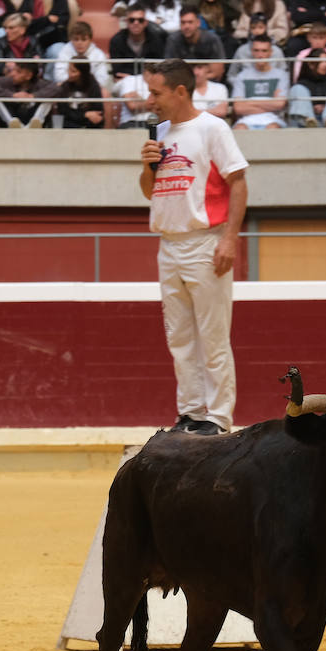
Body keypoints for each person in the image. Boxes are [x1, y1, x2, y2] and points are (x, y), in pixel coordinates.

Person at [139, 57, 248, 436]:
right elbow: (149, 193)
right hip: (168, 242)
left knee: (212, 334)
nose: (148, 100)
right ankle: (189, 411)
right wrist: (147, 168)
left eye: (155, 92)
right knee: (179, 337)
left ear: (180, 91)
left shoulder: (212, 128)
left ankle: (217, 417)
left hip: (205, 241)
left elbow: (238, 181)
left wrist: (230, 239)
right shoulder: (160, 133)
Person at [228, 34, 287, 127]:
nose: (260, 55)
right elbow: (238, 108)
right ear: (252, 52)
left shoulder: (281, 75)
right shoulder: (242, 76)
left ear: (270, 52)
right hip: (246, 119)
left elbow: (280, 104)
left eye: (264, 51)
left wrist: (248, 102)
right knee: (239, 128)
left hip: (274, 119)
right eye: (256, 50)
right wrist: (270, 103)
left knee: (272, 128)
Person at [40, 55, 110, 125]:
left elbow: (98, 112)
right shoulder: (65, 86)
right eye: (69, 69)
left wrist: (91, 116)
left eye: (73, 71)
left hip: (86, 124)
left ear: (83, 73)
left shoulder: (93, 86)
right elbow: (63, 111)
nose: (69, 73)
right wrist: (84, 115)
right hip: (71, 122)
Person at [0, 58, 52, 126]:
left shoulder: (39, 83)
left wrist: (33, 96)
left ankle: (36, 123)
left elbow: (56, 89)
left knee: (49, 99)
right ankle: (12, 123)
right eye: (13, 70)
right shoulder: (8, 80)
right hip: (11, 117)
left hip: (31, 116)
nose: (13, 74)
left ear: (28, 76)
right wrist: (12, 95)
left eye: (18, 72)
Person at [288, 47, 326, 125]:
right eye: (322, 61)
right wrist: (312, 109)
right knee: (297, 89)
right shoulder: (301, 84)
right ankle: (308, 121)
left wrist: (324, 107)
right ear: (311, 64)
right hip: (305, 124)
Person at [110, 2, 169, 79]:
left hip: (150, 80)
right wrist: (141, 76)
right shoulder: (116, 41)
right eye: (132, 20)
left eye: (140, 20)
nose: (136, 23)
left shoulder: (156, 40)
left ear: (145, 22)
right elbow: (118, 71)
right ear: (126, 22)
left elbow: (159, 68)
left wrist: (137, 76)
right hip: (126, 80)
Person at [166, 5, 227, 79]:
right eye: (183, 22)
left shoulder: (212, 39)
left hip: (208, 84)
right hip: (181, 84)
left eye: (190, 22)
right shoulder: (173, 40)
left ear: (198, 23)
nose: (186, 26)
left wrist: (197, 81)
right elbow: (169, 71)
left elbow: (217, 72)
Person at [55, 19, 111, 91]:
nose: (80, 43)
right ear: (71, 39)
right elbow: (59, 76)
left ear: (90, 40)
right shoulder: (64, 51)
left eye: (84, 39)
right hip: (69, 87)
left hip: (91, 89)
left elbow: (102, 79)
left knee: (104, 93)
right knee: (57, 88)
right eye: (76, 39)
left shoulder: (99, 55)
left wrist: (83, 81)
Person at [225, 9, 282, 79]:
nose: (257, 31)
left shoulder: (277, 51)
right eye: (253, 28)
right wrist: (241, 86)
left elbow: (284, 74)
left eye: (260, 27)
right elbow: (231, 75)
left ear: (266, 28)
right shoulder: (241, 51)